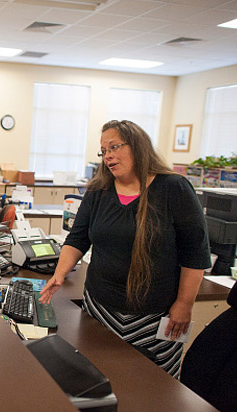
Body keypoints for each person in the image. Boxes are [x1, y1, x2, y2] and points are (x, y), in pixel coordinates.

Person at [39, 120, 211, 378]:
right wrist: (59, 273)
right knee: (98, 382)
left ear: (138, 146)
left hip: (153, 318)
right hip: (100, 310)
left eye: (114, 147)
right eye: (103, 151)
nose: (108, 156)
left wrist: (184, 305)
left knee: (150, 389)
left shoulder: (173, 188)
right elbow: (77, 238)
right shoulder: (99, 190)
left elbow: (195, 255)